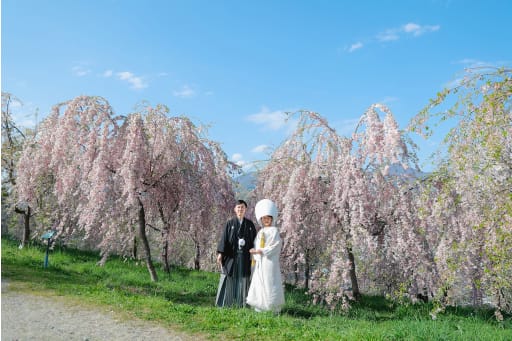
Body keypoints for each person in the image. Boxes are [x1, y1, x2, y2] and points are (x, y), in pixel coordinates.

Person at [215, 199, 257, 307]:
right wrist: (220, 253)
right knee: (228, 276)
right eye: (238, 207)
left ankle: (241, 304)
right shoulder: (230, 223)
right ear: (235, 209)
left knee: (243, 279)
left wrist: (254, 253)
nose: (240, 209)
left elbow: (254, 241)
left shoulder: (250, 225)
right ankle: (225, 303)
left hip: (244, 257)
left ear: (246, 209)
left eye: (242, 207)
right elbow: (224, 239)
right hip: (231, 256)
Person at [246, 199, 285, 313]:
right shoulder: (260, 232)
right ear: (261, 220)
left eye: (268, 218)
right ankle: (260, 306)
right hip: (260, 262)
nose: (266, 220)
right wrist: (255, 252)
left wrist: (260, 251)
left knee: (270, 281)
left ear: (272, 219)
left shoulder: (274, 231)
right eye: (264, 219)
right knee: (259, 281)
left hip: (269, 262)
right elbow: (256, 245)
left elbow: (275, 246)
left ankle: (272, 307)